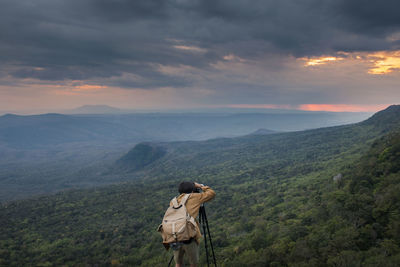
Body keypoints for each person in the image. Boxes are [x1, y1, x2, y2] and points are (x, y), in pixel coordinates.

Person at [172, 181, 216, 267]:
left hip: (175, 236)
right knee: (193, 263)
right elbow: (212, 193)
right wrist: (200, 186)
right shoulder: (194, 197)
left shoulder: (174, 201)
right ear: (192, 191)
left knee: (178, 263)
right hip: (188, 237)